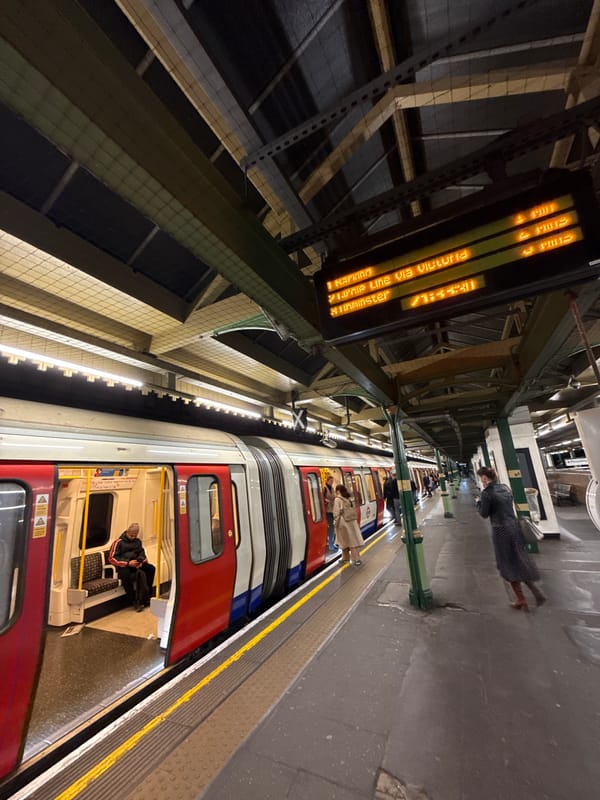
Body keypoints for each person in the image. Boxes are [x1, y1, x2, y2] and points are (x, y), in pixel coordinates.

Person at [476, 467, 546, 611]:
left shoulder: (487, 493)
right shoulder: (505, 488)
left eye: (480, 477)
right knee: (519, 560)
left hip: (500, 530)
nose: (480, 480)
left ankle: (521, 599)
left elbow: (484, 513)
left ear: (484, 478)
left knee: (507, 564)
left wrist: (478, 502)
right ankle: (535, 592)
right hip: (514, 527)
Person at [109, 523, 156, 611]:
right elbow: (112, 558)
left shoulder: (138, 542)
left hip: (136, 563)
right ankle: (133, 599)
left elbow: (141, 552)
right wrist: (127, 563)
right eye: (131, 535)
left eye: (135, 536)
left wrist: (142, 560)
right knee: (129, 575)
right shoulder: (118, 543)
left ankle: (147, 596)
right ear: (127, 532)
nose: (133, 537)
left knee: (151, 569)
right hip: (123, 566)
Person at [333, 484, 364, 565]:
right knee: (351, 540)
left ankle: (350, 559)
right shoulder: (348, 498)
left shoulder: (337, 499)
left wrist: (335, 522)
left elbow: (336, 513)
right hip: (351, 522)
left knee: (345, 541)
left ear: (338, 491)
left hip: (343, 523)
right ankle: (354, 559)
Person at [323, 475, 337, 551]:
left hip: (332, 510)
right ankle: (331, 545)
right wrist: (326, 501)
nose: (332, 483)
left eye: (332, 481)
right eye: (331, 481)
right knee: (331, 527)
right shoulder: (324, 488)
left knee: (333, 527)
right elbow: (321, 498)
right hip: (327, 511)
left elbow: (334, 497)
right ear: (327, 481)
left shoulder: (332, 488)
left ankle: (332, 543)